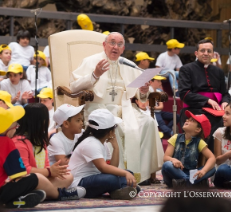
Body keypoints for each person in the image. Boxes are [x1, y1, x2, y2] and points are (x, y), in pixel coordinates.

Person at [69, 32, 164, 183]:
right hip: (99, 108)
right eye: (112, 43)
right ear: (104, 45)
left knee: (149, 123)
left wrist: (143, 91)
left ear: (123, 48)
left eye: (119, 44)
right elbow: (73, 87)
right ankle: (119, 173)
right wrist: (95, 74)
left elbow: (139, 95)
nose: (115, 47)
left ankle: (142, 174)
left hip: (124, 108)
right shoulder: (90, 61)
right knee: (115, 127)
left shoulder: (128, 64)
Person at [13, 103, 86, 200]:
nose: (48, 122)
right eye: (46, 119)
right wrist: (49, 171)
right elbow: (24, 170)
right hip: (26, 180)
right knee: (38, 178)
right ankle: (60, 195)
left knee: (68, 176)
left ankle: (39, 194)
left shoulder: (41, 141)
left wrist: (53, 172)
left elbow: (46, 165)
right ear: (37, 121)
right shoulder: (19, 142)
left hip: (42, 178)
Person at [0, 106, 46, 208]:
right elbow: (19, 175)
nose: (16, 130)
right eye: (16, 127)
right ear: (8, 130)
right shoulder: (7, 143)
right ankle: (14, 200)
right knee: (33, 179)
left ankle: (16, 201)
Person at [68, 109, 138, 200]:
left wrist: (115, 148)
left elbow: (112, 167)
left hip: (93, 180)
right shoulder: (91, 143)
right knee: (114, 178)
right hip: (79, 183)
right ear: (109, 132)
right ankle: (121, 188)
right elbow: (103, 168)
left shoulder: (102, 143)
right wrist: (125, 173)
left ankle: (119, 190)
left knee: (128, 173)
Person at [178, 39, 231, 152]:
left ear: (213, 54)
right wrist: (207, 100)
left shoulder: (218, 72)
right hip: (194, 110)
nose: (206, 53)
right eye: (202, 50)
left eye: (209, 51)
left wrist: (225, 102)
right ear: (196, 53)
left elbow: (225, 93)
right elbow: (184, 94)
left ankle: (217, 161)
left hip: (216, 112)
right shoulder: (187, 69)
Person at [162, 110, 216, 188]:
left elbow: (212, 158)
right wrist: (173, 160)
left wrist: (203, 171)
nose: (187, 120)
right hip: (175, 173)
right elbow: (166, 157)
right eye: (188, 119)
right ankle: (193, 182)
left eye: (192, 120)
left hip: (191, 173)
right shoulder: (175, 137)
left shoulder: (199, 142)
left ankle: (184, 183)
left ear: (198, 129)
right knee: (167, 165)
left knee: (212, 169)